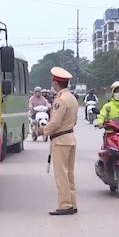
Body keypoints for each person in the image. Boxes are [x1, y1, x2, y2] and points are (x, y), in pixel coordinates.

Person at [39, 67, 79, 216]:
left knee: (61, 174)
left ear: (55, 83)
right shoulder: (72, 98)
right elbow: (74, 121)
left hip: (60, 140)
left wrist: (42, 130)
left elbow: (55, 123)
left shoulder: (60, 99)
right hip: (70, 138)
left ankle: (65, 205)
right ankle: (72, 203)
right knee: (69, 174)